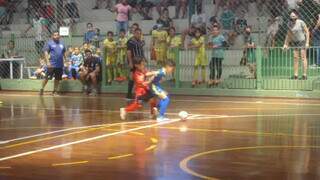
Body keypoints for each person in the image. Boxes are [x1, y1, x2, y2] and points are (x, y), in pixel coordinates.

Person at [283, 10, 309, 80]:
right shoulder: (289, 23)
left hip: (302, 41)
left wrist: (307, 42)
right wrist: (286, 44)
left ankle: (304, 75)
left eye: (293, 16)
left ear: (297, 16)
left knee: (303, 58)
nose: (292, 17)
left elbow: (307, 32)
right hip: (295, 42)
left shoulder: (301, 22)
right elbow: (288, 35)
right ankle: (295, 75)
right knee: (295, 58)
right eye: (291, 16)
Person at [39, 31, 67, 96]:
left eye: (57, 35)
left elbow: (64, 53)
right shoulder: (49, 43)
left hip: (59, 65)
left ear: (59, 36)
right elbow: (46, 53)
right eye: (55, 35)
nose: (56, 36)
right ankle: (42, 89)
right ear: (52, 36)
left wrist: (66, 61)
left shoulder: (62, 44)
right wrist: (48, 62)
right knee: (46, 78)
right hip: (51, 65)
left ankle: (55, 91)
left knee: (57, 79)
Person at [126, 28, 145, 99]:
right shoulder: (130, 41)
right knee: (132, 76)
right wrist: (130, 62)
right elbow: (128, 52)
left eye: (140, 33)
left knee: (140, 77)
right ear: (134, 33)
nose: (139, 35)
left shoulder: (139, 41)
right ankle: (129, 94)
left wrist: (144, 58)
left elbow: (141, 50)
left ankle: (139, 94)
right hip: (134, 61)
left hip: (140, 61)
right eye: (137, 33)